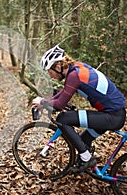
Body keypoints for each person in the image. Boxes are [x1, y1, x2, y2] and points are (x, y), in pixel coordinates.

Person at [32, 45, 126, 173]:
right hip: (113, 114)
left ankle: (87, 159)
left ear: (58, 66)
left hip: (112, 117)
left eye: (49, 71)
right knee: (84, 140)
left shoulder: (74, 75)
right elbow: (63, 93)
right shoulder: (77, 68)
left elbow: (59, 104)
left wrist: (43, 101)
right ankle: (83, 167)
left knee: (63, 118)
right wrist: (47, 101)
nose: (50, 76)